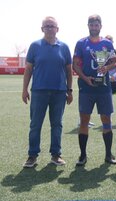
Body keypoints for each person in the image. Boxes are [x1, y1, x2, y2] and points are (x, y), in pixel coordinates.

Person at [22, 16, 73, 168]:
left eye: (52, 26)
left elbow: (69, 71)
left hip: (59, 92)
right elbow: (28, 69)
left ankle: (56, 155)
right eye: (47, 26)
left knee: (57, 124)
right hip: (39, 92)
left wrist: (69, 91)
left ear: (58, 29)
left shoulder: (64, 47)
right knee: (35, 125)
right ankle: (32, 155)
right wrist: (24, 89)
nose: (50, 28)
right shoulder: (35, 46)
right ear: (42, 29)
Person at [73, 14, 116, 166]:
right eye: (91, 25)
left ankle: (108, 155)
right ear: (88, 26)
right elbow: (76, 65)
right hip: (86, 87)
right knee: (84, 120)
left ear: (100, 26)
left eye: (96, 24)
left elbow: (114, 62)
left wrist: (106, 67)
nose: (94, 27)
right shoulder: (81, 43)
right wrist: (85, 78)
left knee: (106, 120)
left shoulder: (107, 44)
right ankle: (83, 155)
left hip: (104, 87)